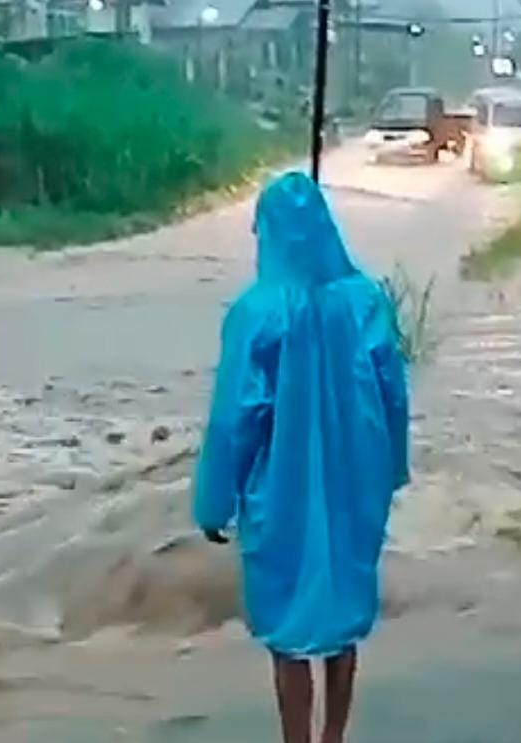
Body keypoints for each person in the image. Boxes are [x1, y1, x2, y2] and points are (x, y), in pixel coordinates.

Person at [193, 171, 410, 743]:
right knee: (341, 621)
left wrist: (214, 502)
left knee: (288, 628)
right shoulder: (366, 300)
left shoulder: (256, 312)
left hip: (279, 486)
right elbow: (393, 392)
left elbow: (234, 417)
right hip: (356, 479)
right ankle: (334, 736)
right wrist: (393, 469)